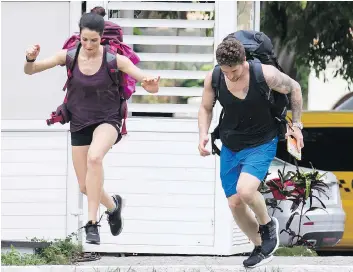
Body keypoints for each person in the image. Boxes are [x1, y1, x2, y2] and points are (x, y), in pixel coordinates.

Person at [24, 12, 160, 245]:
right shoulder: (68, 56)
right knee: (86, 186)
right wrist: (30, 58)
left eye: (93, 40)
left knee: (95, 158)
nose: (88, 45)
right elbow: (31, 71)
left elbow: (147, 84)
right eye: (84, 40)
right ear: (79, 37)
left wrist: (151, 84)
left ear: (101, 39)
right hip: (79, 121)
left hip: (108, 119)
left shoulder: (114, 59)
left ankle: (92, 224)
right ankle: (113, 206)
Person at [198, 38, 304, 268]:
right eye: (226, 72)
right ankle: (260, 247)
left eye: (234, 71)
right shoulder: (215, 77)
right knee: (235, 202)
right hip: (231, 144)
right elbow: (206, 108)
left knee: (245, 191)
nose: (231, 77)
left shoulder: (265, 74)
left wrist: (297, 125)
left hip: (262, 141)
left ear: (244, 60)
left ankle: (267, 226)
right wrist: (203, 134)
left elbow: (294, 87)